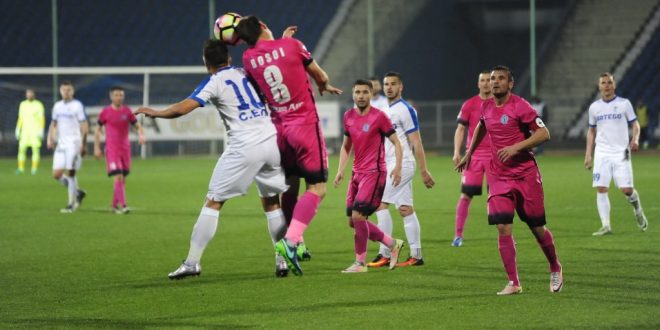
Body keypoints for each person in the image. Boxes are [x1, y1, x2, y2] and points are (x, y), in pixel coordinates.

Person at [135, 39, 291, 279]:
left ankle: (192, 262)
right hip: (271, 142)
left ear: (206, 64)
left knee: (213, 202)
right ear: (229, 59)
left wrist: (157, 112)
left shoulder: (215, 80)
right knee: (272, 202)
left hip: (244, 147)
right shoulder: (246, 72)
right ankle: (282, 260)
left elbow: (185, 107)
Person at [236, 16, 342, 276]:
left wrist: (281, 41)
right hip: (304, 125)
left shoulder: (248, 58)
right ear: (263, 27)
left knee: (291, 185)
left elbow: (270, 65)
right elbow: (320, 75)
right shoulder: (293, 46)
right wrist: (323, 84)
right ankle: (290, 241)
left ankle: (295, 244)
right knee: (318, 188)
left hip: (279, 129)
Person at [455, 65, 563, 295]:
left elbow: (544, 134)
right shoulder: (486, 106)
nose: (495, 82)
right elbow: (481, 127)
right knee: (503, 226)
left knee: (537, 228)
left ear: (510, 83)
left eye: (500, 79)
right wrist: (470, 153)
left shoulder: (520, 106)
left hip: (525, 175)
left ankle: (555, 266)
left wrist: (516, 147)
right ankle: (514, 282)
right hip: (499, 176)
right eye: (492, 78)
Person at [334, 79, 405, 273]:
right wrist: (341, 170)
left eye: (365, 92)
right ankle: (392, 244)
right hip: (356, 173)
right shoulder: (348, 116)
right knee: (353, 221)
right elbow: (346, 146)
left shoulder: (379, 117)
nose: (361, 96)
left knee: (358, 216)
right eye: (357, 92)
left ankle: (360, 263)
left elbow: (397, 142)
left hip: (374, 173)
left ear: (371, 94)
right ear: (353, 94)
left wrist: (397, 167)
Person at [368, 72, 435, 268]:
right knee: (405, 209)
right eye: (386, 84)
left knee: (380, 204)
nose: (389, 87)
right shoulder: (386, 110)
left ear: (401, 87)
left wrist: (424, 170)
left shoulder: (405, 110)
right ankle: (416, 255)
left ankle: (385, 253)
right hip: (392, 163)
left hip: (402, 164)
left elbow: (416, 141)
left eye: (393, 84)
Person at [584, 72, 648, 236]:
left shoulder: (624, 104)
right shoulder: (594, 107)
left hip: (621, 152)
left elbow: (635, 125)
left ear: (614, 85)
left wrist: (635, 139)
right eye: (603, 83)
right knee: (601, 188)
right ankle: (606, 226)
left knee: (627, 190)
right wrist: (588, 154)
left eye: (609, 82)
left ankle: (638, 210)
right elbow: (591, 131)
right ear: (599, 86)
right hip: (602, 152)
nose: (606, 85)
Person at [451, 70, 492, 247]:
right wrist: (456, 151)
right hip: (473, 156)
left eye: (487, 80)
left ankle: (504, 234)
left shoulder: (500, 103)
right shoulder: (470, 104)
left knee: (499, 196)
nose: (485, 83)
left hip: (496, 157)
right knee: (466, 195)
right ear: (478, 84)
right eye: (482, 80)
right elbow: (460, 129)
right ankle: (458, 235)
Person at [94, 86, 146, 214]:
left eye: (121, 95)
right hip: (112, 150)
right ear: (111, 96)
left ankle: (113, 205)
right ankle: (123, 205)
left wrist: (141, 134)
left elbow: (138, 126)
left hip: (125, 149)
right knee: (118, 176)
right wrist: (97, 147)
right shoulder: (105, 112)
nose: (119, 97)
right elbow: (97, 130)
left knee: (123, 178)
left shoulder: (127, 111)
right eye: (116, 95)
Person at [47, 81, 88, 213]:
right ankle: (78, 192)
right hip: (61, 143)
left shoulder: (77, 105)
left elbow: (84, 126)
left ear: (72, 91)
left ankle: (71, 204)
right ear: (60, 91)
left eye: (68, 90)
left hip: (74, 143)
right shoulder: (57, 106)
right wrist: (50, 138)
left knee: (71, 172)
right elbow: (53, 124)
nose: (66, 92)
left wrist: (83, 143)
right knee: (56, 174)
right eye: (64, 90)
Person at [15, 88, 45, 175]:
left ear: (34, 94)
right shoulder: (23, 104)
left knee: (35, 149)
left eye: (31, 93)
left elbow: (41, 118)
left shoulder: (39, 105)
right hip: (25, 131)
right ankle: (20, 168)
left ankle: (34, 169)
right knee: (21, 149)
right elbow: (20, 118)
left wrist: (41, 129)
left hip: (35, 131)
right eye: (28, 94)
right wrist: (17, 128)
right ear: (26, 95)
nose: (29, 95)